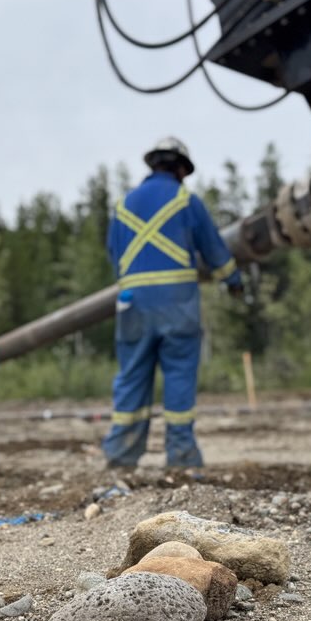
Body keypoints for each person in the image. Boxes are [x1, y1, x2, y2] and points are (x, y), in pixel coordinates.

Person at [101, 137, 242, 468]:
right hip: (177, 305)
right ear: (181, 169)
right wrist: (233, 281)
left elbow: (114, 255)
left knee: (132, 376)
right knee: (178, 376)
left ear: (153, 164)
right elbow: (214, 249)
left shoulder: (122, 205)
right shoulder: (185, 201)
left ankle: (121, 456)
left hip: (133, 304)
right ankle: (181, 457)